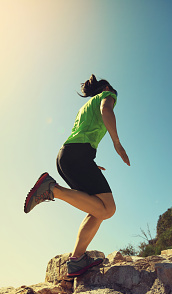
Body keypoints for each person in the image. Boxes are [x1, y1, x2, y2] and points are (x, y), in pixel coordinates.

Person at [24, 74, 130, 278]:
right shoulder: (107, 95)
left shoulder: (85, 107)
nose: (113, 100)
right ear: (106, 88)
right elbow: (106, 110)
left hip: (68, 157)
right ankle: (52, 189)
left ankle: (76, 260)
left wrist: (89, 163)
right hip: (76, 156)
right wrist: (117, 143)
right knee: (109, 209)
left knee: (98, 209)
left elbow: (80, 134)